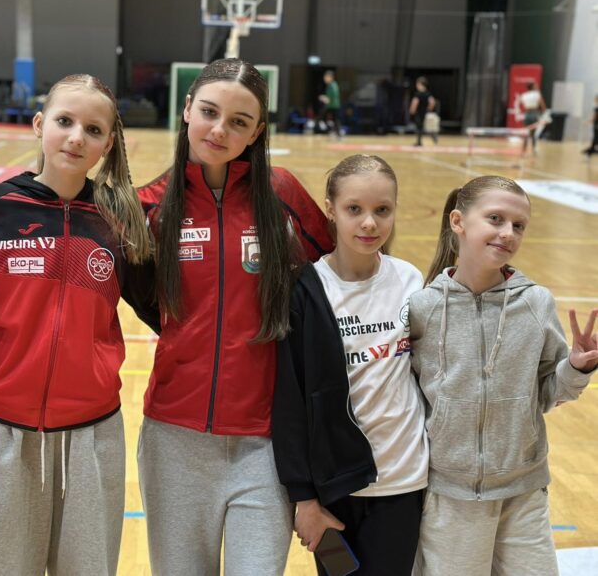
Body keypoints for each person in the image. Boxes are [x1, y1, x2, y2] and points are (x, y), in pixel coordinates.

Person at [0, 74, 155, 576]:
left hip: (93, 434)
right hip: (2, 430)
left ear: (108, 143)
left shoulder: (116, 218)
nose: (76, 138)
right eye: (64, 121)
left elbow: (158, 309)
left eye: (93, 130)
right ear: (39, 124)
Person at [135, 58, 333, 575]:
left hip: (266, 443)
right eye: (209, 112)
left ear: (258, 131)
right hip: (174, 438)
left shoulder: (283, 196)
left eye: (239, 121)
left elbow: (342, 277)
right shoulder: (150, 207)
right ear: (187, 109)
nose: (220, 130)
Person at [410, 176, 597, 576]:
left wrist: (577, 368)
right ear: (458, 221)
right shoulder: (423, 308)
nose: (508, 233)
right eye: (495, 219)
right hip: (451, 493)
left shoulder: (536, 303)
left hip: (524, 489)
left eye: (519, 225)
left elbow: (548, 392)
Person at [272, 154, 429, 576]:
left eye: (382, 210)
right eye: (354, 209)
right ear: (331, 209)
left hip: (402, 485)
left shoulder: (411, 282)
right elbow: (290, 403)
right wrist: (304, 500)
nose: (369, 223)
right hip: (334, 493)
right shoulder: (306, 291)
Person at [518, 81, 546, 156]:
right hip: (535, 114)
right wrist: (542, 115)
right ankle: (533, 150)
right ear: (533, 87)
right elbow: (543, 106)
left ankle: (523, 151)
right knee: (533, 133)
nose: (537, 86)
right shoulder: (537, 94)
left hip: (527, 114)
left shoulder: (524, 95)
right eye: (535, 85)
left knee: (526, 133)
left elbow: (520, 105)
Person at [409, 77, 437, 147]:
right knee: (427, 127)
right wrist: (429, 109)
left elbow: (415, 102)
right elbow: (432, 101)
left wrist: (412, 110)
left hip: (419, 113)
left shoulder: (418, 94)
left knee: (419, 127)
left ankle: (419, 142)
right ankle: (433, 136)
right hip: (425, 112)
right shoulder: (428, 93)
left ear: (420, 84)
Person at [317, 70, 342, 136]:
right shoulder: (330, 85)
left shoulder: (333, 85)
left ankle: (335, 132)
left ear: (331, 77)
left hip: (334, 106)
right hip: (330, 105)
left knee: (334, 120)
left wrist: (324, 98)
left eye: (326, 77)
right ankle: (333, 131)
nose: (324, 79)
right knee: (332, 119)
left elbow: (333, 97)